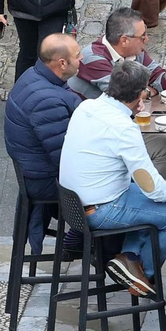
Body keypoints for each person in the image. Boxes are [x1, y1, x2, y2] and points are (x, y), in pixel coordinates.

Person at [59, 60, 164, 299]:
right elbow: (152, 187)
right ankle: (142, 275)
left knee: (148, 204)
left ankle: (129, 258)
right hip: (102, 208)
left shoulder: (86, 108)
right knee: (160, 206)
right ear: (140, 95)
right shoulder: (123, 128)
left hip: (76, 204)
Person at [4, 33, 83, 240]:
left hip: (38, 173)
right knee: (118, 192)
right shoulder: (47, 101)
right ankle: (95, 247)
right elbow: (66, 158)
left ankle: (89, 243)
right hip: (46, 182)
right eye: (78, 55)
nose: (82, 58)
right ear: (62, 63)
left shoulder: (33, 75)